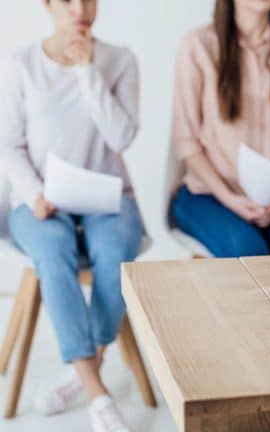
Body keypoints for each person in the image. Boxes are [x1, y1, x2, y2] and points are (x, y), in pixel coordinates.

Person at [0, 0, 141, 429]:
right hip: (40, 200)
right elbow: (8, 144)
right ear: (46, 4)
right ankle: (98, 394)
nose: (80, 8)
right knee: (53, 248)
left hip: (107, 198)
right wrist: (34, 192)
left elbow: (122, 136)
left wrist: (86, 70)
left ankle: (82, 371)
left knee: (116, 251)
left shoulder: (120, 60)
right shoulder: (21, 63)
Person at [171, 0, 270, 258]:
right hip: (209, 192)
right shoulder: (198, 44)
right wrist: (229, 198)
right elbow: (187, 141)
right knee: (249, 252)